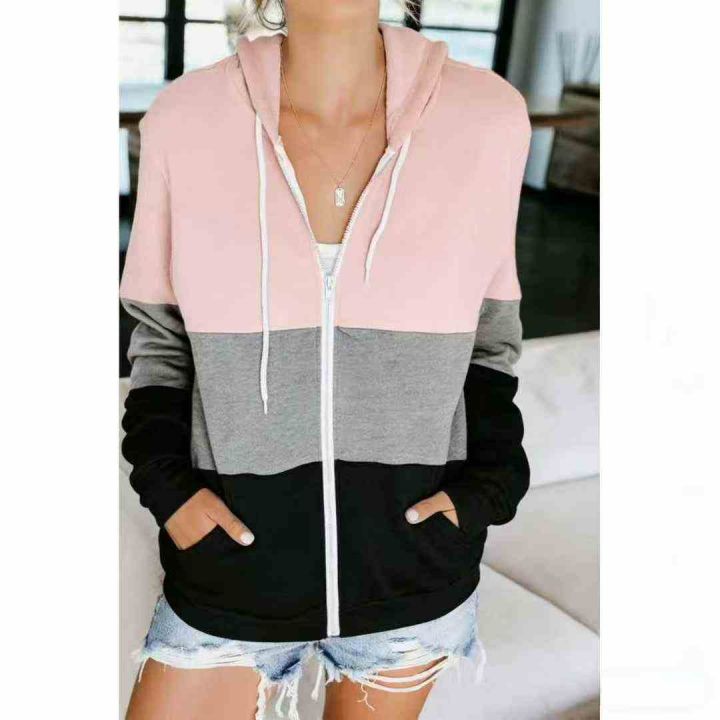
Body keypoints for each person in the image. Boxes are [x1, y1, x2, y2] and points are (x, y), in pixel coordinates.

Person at [121, 1, 530, 718]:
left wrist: (489, 487)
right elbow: (161, 338)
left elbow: (490, 340)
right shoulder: (184, 121)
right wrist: (170, 492)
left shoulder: (489, 120)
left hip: (413, 571)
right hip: (233, 570)